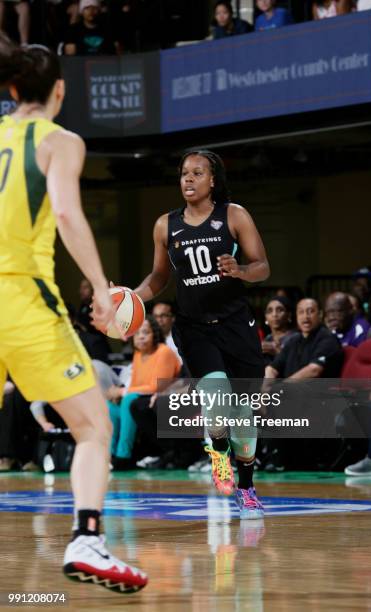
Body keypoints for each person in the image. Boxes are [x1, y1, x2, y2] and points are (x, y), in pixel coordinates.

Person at [0, 35, 147, 592]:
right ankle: (87, 539)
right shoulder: (59, 140)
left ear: (14, 88)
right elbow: (64, 211)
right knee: (93, 426)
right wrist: (103, 293)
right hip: (21, 296)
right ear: (59, 91)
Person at [132, 150, 270, 519]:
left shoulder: (234, 215)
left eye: (197, 173)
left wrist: (241, 270)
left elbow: (262, 266)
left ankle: (247, 486)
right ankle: (218, 450)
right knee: (216, 393)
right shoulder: (166, 225)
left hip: (236, 326)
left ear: (213, 180)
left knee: (243, 417)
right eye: (183, 174)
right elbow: (159, 278)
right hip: (194, 328)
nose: (188, 179)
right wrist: (131, 299)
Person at [109, 315, 181, 469]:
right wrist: (122, 394)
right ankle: (110, 455)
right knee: (110, 406)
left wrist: (123, 392)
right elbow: (135, 384)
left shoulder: (164, 352)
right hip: (140, 398)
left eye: (146, 332)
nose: (140, 336)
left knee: (129, 399)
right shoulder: (137, 355)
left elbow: (157, 387)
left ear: (155, 334)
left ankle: (123, 456)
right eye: (137, 333)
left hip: (165, 401)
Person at [265, 298, 343, 380]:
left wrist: (283, 387)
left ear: (320, 314)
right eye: (301, 312)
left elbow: (314, 370)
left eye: (310, 311)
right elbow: (272, 368)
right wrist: (266, 387)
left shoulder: (327, 338)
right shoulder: (294, 340)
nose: (305, 317)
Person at [262, 295, 295, 370]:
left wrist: (278, 352)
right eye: (270, 311)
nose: (274, 315)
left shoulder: (296, 337)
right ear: (265, 317)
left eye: (280, 310)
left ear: (289, 315)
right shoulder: (267, 339)